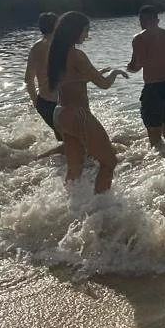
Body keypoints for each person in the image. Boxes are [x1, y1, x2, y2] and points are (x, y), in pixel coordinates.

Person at [47, 12, 129, 194]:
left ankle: (73, 208)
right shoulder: (77, 55)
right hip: (78, 114)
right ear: (76, 31)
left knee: (74, 169)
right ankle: (101, 208)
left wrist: (97, 72)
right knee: (109, 162)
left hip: (61, 114)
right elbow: (104, 84)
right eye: (86, 30)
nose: (87, 35)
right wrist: (114, 72)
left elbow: (72, 79)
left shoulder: (56, 53)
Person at [126, 5, 165, 147]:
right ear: (157, 20)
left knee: (155, 137)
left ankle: (162, 167)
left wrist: (128, 68)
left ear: (141, 20)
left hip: (154, 88)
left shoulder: (139, 38)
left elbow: (137, 65)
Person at [24, 11, 59, 133]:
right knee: (76, 143)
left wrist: (36, 102)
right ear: (56, 26)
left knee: (71, 143)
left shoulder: (35, 47)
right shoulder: (60, 46)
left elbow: (28, 80)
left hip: (44, 103)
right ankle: (43, 154)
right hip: (61, 104)